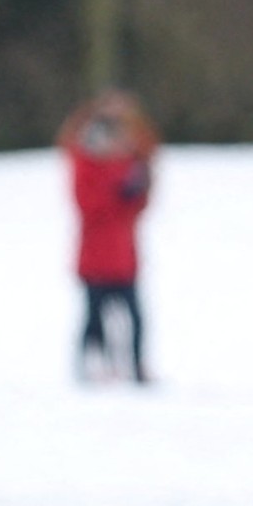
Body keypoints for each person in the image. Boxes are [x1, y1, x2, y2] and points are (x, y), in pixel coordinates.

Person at [58, 90, 158, 383]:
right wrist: (119, 194)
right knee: (94, 315)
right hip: (95, 256)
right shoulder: (85, 162)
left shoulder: (127, 159)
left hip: (124, 255)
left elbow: (138, 202)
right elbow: (88, 205)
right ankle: (92, 364)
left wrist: (138, 189)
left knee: (136, 317)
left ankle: (136, 366)